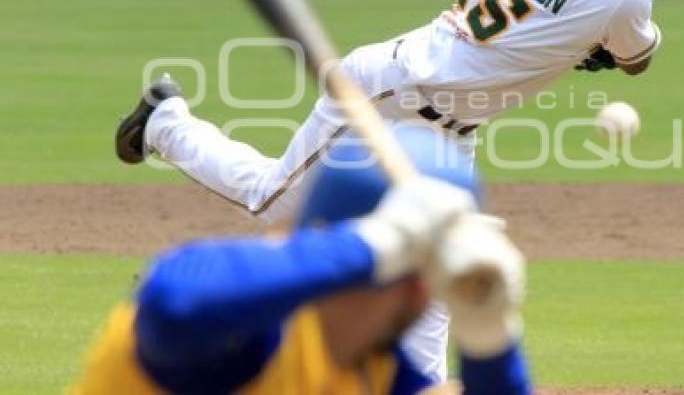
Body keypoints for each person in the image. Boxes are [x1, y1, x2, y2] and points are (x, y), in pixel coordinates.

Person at [115, 0, 684, 379]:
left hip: (444, 136)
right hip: (384, 96)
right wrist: (569, 26)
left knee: (437, 259)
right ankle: (164, 122)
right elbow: (634, 60)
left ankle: (426, 383)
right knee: (276, 202)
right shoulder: (625, 0)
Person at [74, 125, 531, 394]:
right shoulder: (254, 337)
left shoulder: (372, 369)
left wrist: (487, 337)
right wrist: (376, 243)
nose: (425, 292)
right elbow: (175, 305)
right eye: (414, 269)